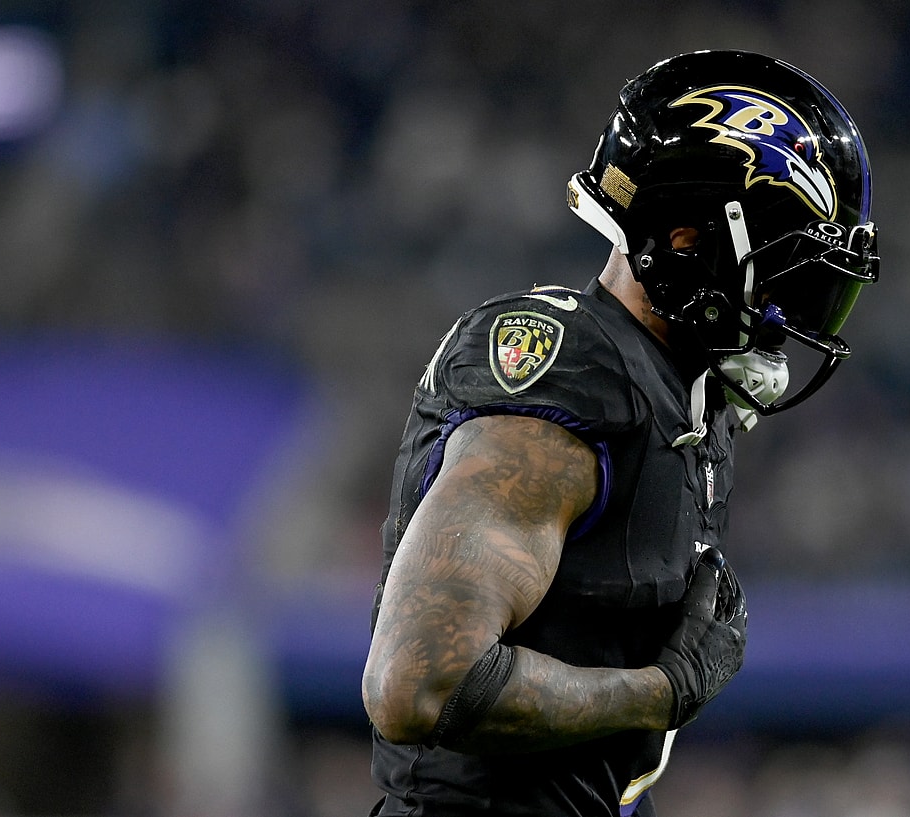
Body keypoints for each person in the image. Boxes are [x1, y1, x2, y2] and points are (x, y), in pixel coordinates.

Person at [362, 49, 879, 816]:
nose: (790, 312)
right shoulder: (571, 371)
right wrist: (656, 693)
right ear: (686, 242)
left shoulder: (679, 399)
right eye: (782, 274)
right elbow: (420, 679)